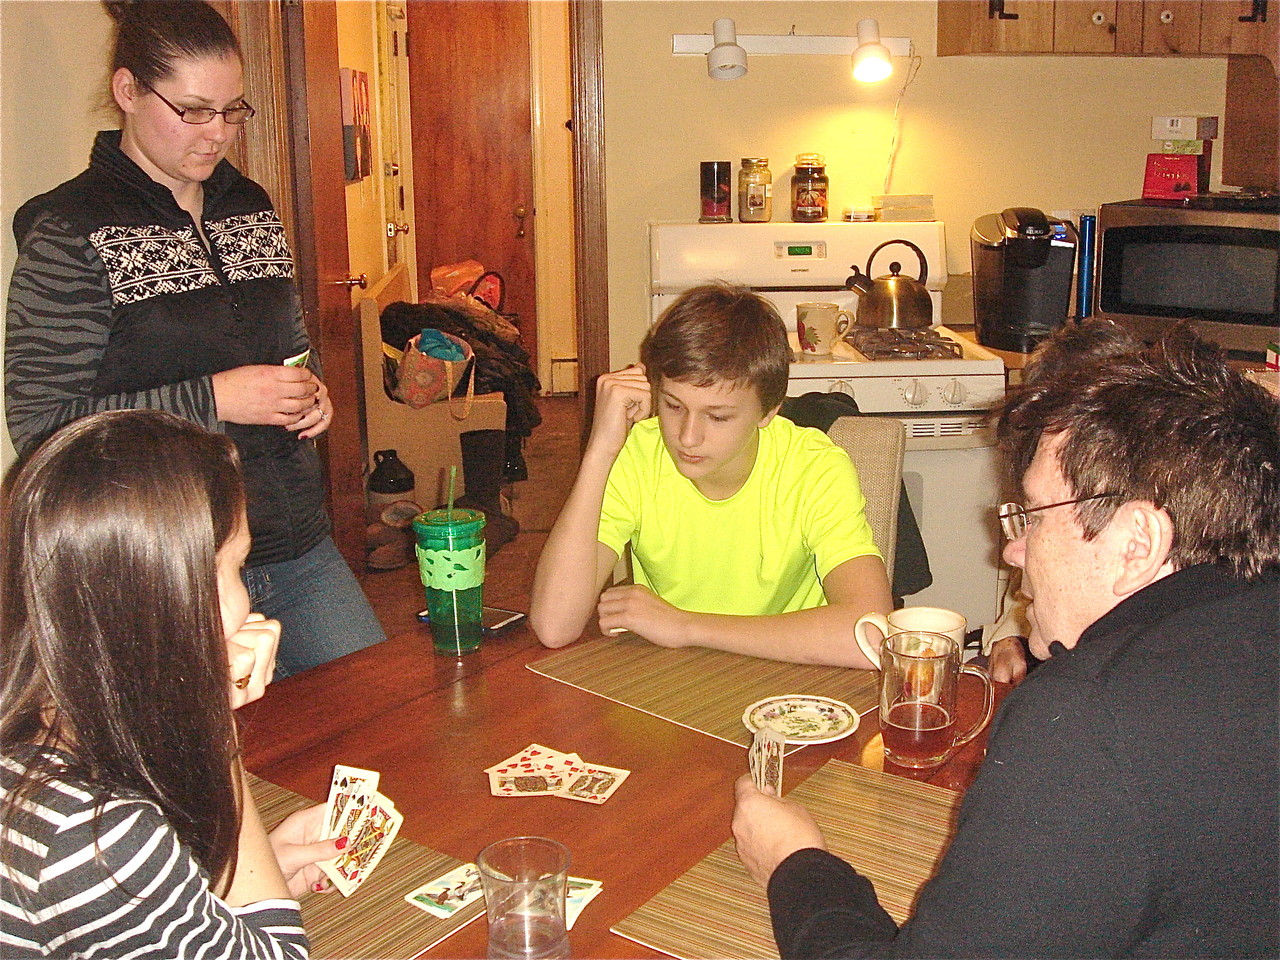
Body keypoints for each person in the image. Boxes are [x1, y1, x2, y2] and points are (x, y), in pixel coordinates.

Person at [732, 320, 1280, 958]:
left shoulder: (1089, 723)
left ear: (1137, 545)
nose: (1012, 549)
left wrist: (795, 865)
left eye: (1032, 516)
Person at [3, 0, 384, 677]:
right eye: (193, 110)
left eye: (232, 110)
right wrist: (215, 399)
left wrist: (311, 390)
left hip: (295, 543)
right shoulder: (69, 230)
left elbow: (287, 341)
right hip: (165, 576)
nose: (216, 134)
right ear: (128, 91)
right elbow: (43, 431)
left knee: (375, 724)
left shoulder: (249, 204)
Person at [0, 410, 345, 957]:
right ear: (168, 597)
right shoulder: (95, 838)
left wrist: (196, 893)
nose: (246, 600)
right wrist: (215, 726)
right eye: (235, 566)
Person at [530, 282, 891, 667]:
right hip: (671, 679)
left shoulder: (815, 468)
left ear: (769, 412)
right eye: (673, 406)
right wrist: (600, 450)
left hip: (785, 678)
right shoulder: (637, 454)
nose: (687, 437)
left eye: (717, 416)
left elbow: (871, 636)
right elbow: (554, 625)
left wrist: (687, 626)